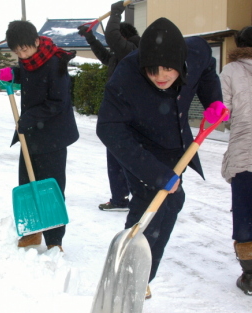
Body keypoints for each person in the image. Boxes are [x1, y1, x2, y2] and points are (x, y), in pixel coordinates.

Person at [96, 18, 224, 298]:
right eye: (152, 70)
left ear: (180, 60)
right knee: (150, 204)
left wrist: (213, 100)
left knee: (172, 200)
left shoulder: (197, 51)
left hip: (174, 141)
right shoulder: (126, 77)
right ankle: (131, 278)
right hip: (139, 145)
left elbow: (206, 72)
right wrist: (155, 173)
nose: (161, 76)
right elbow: (107, 128)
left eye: (168, 68)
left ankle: (139, 274)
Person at [0, 20, 79, 251]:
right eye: (17, 52)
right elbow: (27, 75)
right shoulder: (29, 60)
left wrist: (29, 118)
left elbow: (57, 102)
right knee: (27, 184)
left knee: (51, 187)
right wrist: (12, 73)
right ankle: (32, 232)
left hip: (53, 136)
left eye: (25, 49)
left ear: (36, 41)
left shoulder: (55, 63)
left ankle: (55, 240)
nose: (22, 55)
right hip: (31, 133)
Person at [78, 0, 140, 212]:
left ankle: (131, 197)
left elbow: (112, 36)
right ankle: (121, 198)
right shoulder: (122, 54)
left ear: (122, 36)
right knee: (117, 156)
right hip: (119, 113)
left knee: (125, 157)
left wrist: (116, 11)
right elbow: (104, 56)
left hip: (128, 115)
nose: (112, 43)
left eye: (115, 38)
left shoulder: (133, 49)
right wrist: (89, 36)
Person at [219, 25, 252, 296]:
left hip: (245, 152)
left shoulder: (230, 71)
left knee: (245, 212)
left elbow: (223, 112)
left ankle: (250, 276)